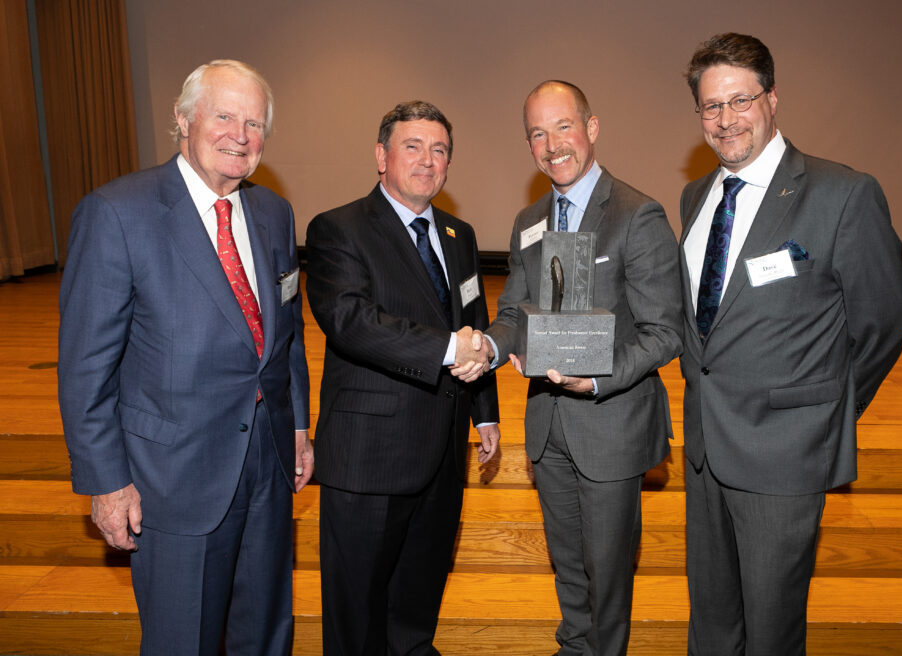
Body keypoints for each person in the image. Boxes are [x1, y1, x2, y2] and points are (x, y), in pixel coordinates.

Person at [57, 60, 312, 655]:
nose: (240, 135)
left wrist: (297, 422)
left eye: (254, 123)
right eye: (224, 116)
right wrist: (107, 482)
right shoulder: (118, 213)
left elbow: (287, 331)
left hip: (267, 465)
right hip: (170, 479)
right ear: (183, 119)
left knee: (266, 632)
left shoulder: (274, 213)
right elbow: (85, 368)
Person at [678, 33, 902, 655]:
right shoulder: (697, 196)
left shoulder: (842, 194)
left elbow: (884, 322)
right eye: (710, 106)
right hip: (705, 449)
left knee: (772, 633)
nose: (725, 119)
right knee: (711, 622)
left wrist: (824, 413)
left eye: (740, 100)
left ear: (772, 99)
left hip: (784, 457)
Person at [484, 80, 684, 655]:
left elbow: (664, 332)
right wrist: (491, 350)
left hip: (610, 424)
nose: (553, 145)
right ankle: (574, 646)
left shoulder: (637, 214)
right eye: (538, 134)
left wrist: (595, 378)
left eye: (563, 127)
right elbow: (513, 312)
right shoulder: (529, 219)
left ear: (591, 129)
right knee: (568, 562)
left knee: (608, 568)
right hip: (548, 424)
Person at [305, 100, 500, 655]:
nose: (427, 160)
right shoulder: (338, 228)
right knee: (357, 605)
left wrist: (484, 410)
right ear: (381, 156)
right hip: (372, 452)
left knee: (418, 592)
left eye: (439, 150)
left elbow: (473, 324)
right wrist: (446, 348)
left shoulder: (459, 234)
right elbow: (350, 322)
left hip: (444, 445)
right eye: (412, 146)